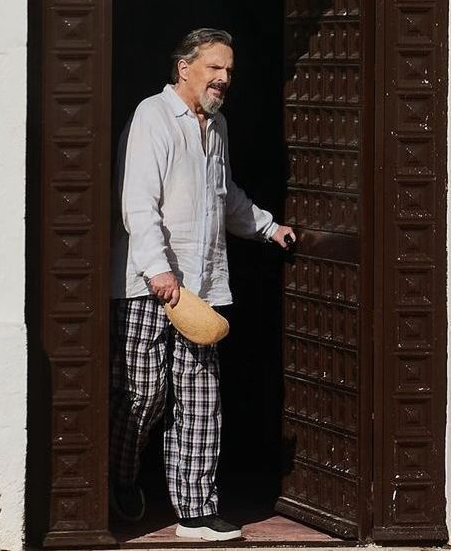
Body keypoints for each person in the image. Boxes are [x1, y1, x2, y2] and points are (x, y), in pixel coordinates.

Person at [108, 27, 295, 543]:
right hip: (151, 285)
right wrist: (159, 271)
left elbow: (225, 195)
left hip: (202, 290)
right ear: (183, 67)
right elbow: (137, 202)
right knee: (143, 394)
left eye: (229, 70)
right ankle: (118, 476)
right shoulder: (153, 116)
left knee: (198, 398)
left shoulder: (218, 127)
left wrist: (266, 227)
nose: (224, 78)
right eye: (215, 68)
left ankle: (195, 510)